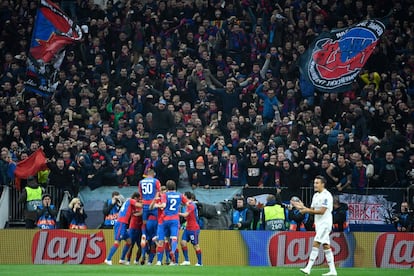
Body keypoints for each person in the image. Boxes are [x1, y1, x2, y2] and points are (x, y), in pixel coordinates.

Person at [291, 175, 337, 276]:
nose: (315, 185)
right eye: (314, 183)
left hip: (325, 224)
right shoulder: (315, 195)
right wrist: (301, 207)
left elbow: (321, 211)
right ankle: (333, 271)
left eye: (317, 183)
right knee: (326, 246)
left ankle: (308, 268)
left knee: (316, 243)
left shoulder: (327, 195)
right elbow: (312, 210)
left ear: (323, 184)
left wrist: (306, 210)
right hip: (319, 224)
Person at [153, 180, 189, 265]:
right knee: (174, 238)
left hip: (165, 219)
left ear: (167, 187)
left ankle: (158, 261)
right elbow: (188, 203)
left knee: (161, 240)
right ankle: (173, 256)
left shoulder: (165, 195)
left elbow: (164, 205)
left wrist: (157, 205)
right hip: (175, 220)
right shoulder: (180, 195)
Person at [105, 192, 142, 265]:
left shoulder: (129, 204)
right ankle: (108, 259)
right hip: (120, 223)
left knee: (129, 241)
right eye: (138, 199)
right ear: (135, 198)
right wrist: (148, 202)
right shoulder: (130, 200)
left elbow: (136, 212)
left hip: (123, 224)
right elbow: (139, 205)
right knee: (117, 242)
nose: (138, 201)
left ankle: (122, 259)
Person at [138, 169, 161, 249]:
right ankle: (156, 236)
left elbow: (140, 194)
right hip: (153, 204)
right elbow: (159, 191)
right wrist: (155, 199)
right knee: (159, 222)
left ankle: (144, 234)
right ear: (153, 174)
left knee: (144, 223)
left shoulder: (141, 182)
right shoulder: (156, 181)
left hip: (145, 204)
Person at [179, 191, 203, 266]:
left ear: (186, 196)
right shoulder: (187, 205)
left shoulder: (192, 205)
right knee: (183, 242)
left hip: (194, 228)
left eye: (183, 196)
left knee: (195, 245)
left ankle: (200, 263)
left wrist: (177, 213)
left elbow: (186, 214)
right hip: (188, 228)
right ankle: (187, 260)